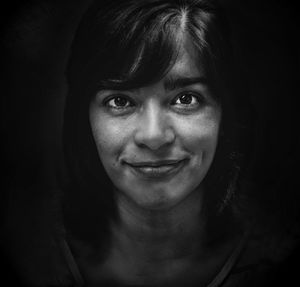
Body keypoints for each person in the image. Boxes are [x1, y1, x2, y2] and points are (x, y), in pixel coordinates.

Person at [7, 0, 297, 286]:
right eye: (120, 101)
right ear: (85, 120)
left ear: (225, 114)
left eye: (186, 99)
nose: (153, 136)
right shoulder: (34, 259)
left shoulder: (271, 261)